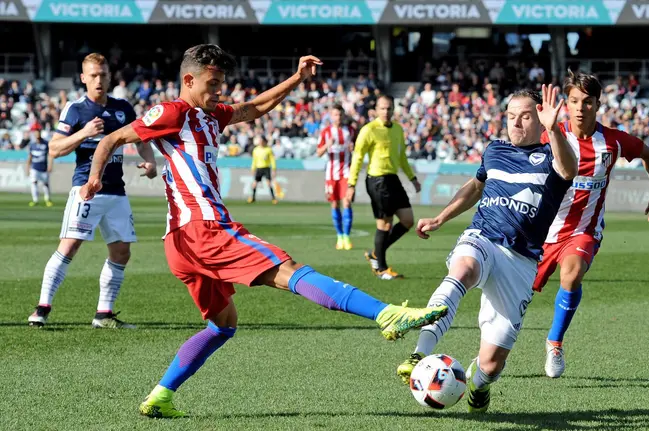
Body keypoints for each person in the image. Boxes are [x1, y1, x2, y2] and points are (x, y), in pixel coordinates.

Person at [79, 44, 448, 418]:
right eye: (213, 82)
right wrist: (94, 178)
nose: (220, 90)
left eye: (222, 82)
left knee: (223, 325)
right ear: (188, 80)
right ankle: (386, 314)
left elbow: (253, 108)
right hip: (203, 228)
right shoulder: (174, 112)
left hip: (181, 241)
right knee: (289, 271)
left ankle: (161, 394)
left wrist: (297, 79)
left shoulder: (212, 115)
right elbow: (111, 139)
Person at [396, 85, 579, 413]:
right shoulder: (495, 151)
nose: (516, 123)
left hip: (521, 259)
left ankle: (478, 385)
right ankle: (419, 353)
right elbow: (475, 187)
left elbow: (569, 171)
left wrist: (553, 129)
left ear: (540, 119)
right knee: (463, 268)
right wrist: (440, 217)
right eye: (511, 117)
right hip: (483, 236)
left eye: (525, 116)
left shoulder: (555, 153)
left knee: (492, 365)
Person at [533, 70, 649, 378]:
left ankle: (554, 342)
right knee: (518, 295)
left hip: (584, 230)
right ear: (565, 103)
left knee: (573, 271)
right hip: (542, 231)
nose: (580, 108)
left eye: (588, 102)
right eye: (574, 101)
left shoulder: (612, 142)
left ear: (598, 104)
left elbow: (646, 152)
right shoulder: (549, 135)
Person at [27, 53, 158, 329]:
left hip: (116, 192)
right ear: (84, 78)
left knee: (122, 252)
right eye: (94, 75)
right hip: (86, 189)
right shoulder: (75, 110)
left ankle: (104, 314)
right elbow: (55, 148)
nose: (99, 80)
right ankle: (41, 308)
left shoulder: (124, 108)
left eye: (104, 74)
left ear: (110, 77)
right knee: (70, 246)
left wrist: (149, 161)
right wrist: (84, 133)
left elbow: (142, 138)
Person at [346, 95, 421, 280]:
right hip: (377, 181)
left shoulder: (397, 129)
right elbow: (357, 157)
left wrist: (412, 178)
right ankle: (381, 268)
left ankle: (375, 254)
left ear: (393, 109)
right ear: (376, 110)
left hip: (393, 179)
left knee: (408, 220)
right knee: (385, 224)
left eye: (389, 108)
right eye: (382, 108)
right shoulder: (369, 130)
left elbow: (402, 156)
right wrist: (351, 184)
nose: (386, 112)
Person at [317, 104, 354, 250]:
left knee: (347, 202)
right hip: (331, 174)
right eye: (335, 115)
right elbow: (318, 153)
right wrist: (327, 145)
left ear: (343, 116)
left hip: (346, 172)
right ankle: (339, 236)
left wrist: (353, 148)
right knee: (334, 204)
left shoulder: (350, 131)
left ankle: (346, 236)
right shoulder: (326, 132)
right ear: (331, 116)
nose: (338, 117)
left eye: (340, 115)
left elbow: (357, 149)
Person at [26, 126, 54, 207]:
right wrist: (28, 168)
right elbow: (30, 157)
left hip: (43, 167)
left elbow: (50, 155)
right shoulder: (32, 145)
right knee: (34, 182)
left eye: (38, 132)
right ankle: (35, 200)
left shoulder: (46, 143)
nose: (37, 134)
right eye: (35, 133)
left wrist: (50, 165)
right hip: (34, 167)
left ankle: (47, 199)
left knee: (45, 184)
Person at [248, 135, 277, 204]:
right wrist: (253, 168)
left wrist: (274, 169)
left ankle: (273, 198)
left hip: (266, 168)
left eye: (262, 141)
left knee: (269, 183)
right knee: (255, 183)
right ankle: (253, 198)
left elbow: (272, 160)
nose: (260, 142)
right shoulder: (256, 150)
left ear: (264, 141)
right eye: (259, 141)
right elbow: (254, 160)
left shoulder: (268, 149)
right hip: (259, 168)